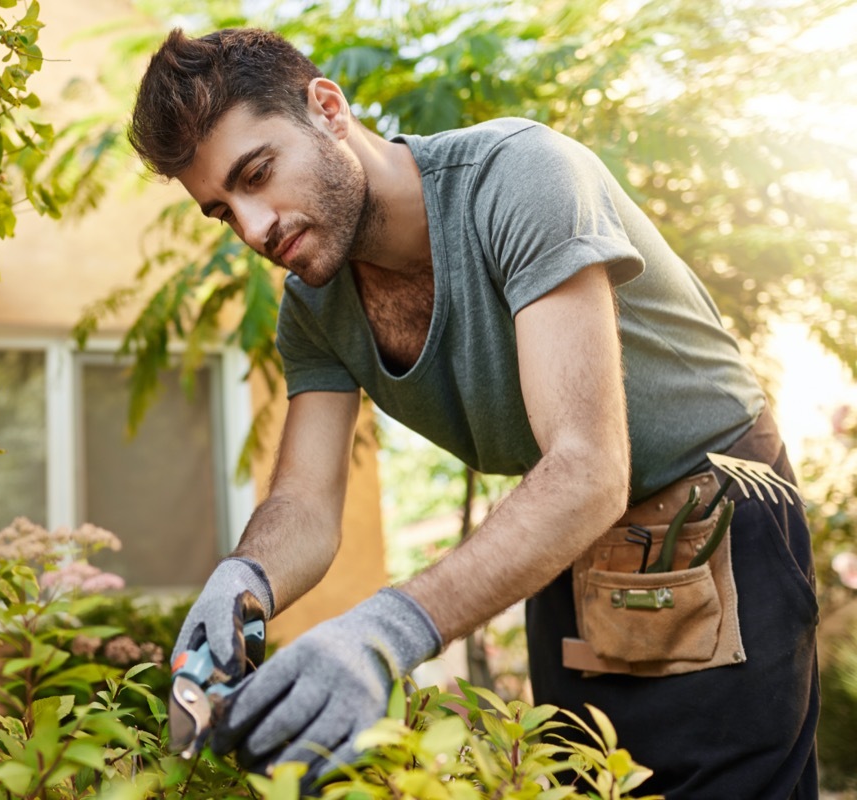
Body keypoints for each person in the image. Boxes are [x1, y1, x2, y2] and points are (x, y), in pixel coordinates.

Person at [128, 27, 819, 798]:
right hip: (564, 536)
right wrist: (243, 579)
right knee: (580, 786)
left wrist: (383, 630)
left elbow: (590, 466)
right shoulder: (314, 307)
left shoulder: (519, 177)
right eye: (223, 212)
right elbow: (305, 505)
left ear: (327, 107)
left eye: (257, 174)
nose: (255, 229)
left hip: (714, 512)